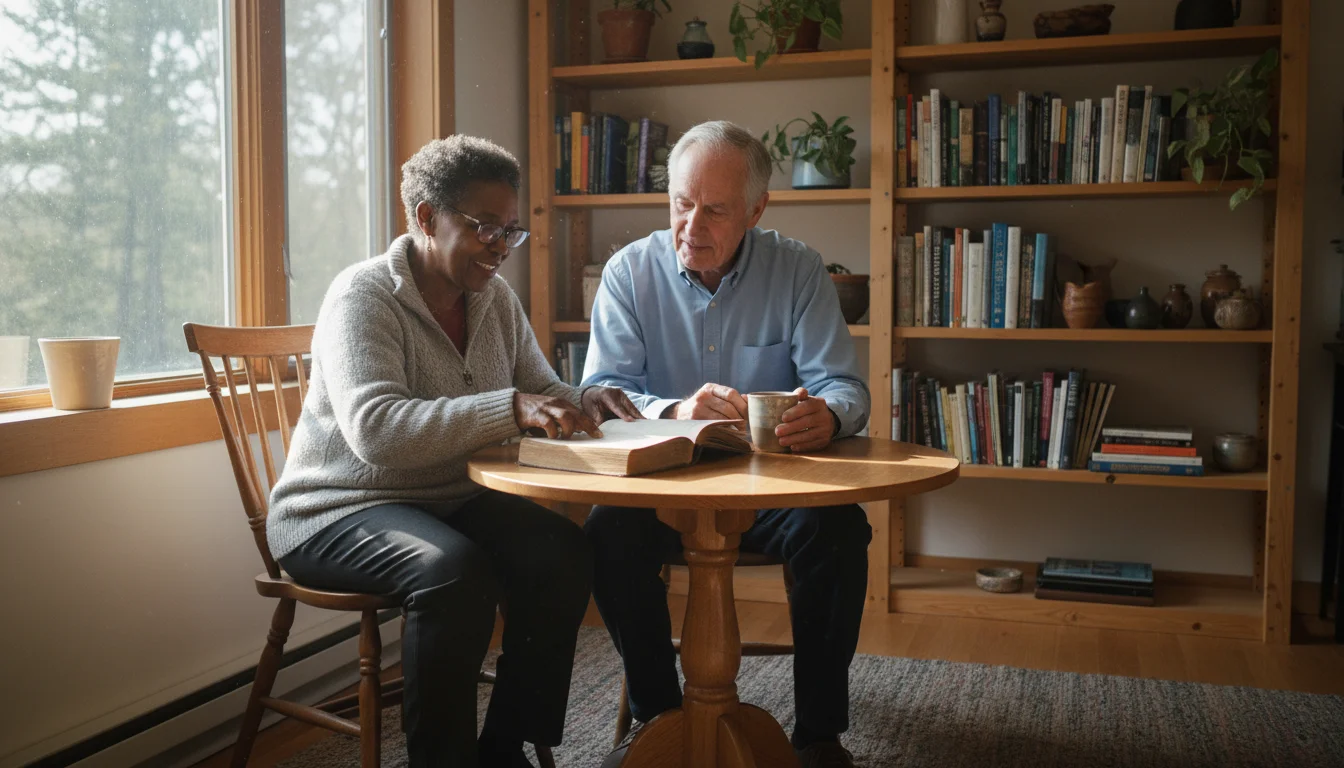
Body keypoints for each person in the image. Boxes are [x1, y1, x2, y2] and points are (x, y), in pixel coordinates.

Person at [267, 135, 641, 768]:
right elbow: (377, 431)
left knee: (562, 552)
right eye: (485, 228)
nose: (500, 248)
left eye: (511, 231)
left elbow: (540, 387)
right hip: (337, 507)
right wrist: (512, 407)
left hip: (446, 501)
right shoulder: (362, 296)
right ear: (424, 218)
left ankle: (504, 748)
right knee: (454, 572)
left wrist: (585, 396)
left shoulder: (493, 299)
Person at [580, 120, 873, 768]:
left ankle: (820, 735)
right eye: (682, 204)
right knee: (606, 534)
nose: (692, 225)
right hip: (661, 488)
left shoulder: (796, 268)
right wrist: (675, 411)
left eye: (714, 210)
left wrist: (830, 415)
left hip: (769, 487)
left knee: (840, 532)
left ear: (756, 210)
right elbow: (601, 393)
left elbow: (843, 385)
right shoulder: (629, 273)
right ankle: (661, 718)